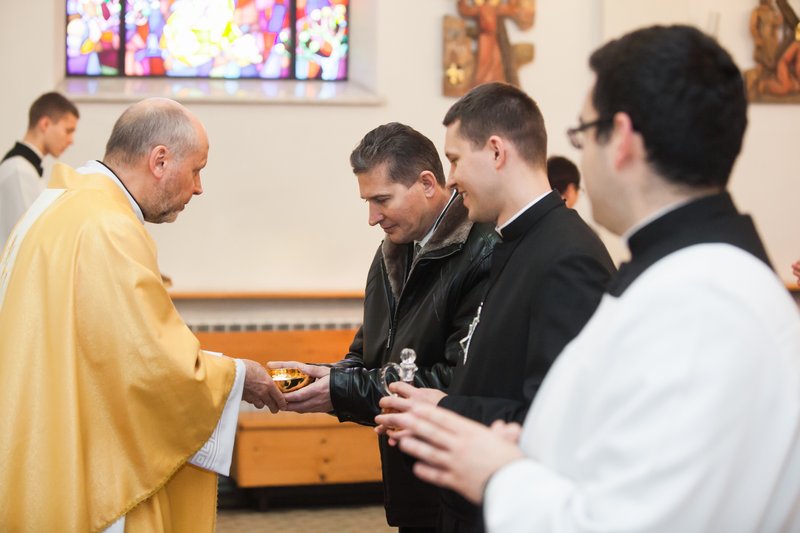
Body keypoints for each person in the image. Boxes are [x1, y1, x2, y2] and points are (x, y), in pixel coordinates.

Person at [377, 25, 800, 533]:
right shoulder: (687, 277)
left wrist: (498, 474)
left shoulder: (700, 304)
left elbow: (636, 521)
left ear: (620, 139)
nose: (579, 156)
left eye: (581, 133)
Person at [0, 97, 287, 532]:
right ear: (160, 161)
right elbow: (149, 365)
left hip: (38, 443)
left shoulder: (57, 206)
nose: (198, 188)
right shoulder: (108, 228)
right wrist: (238, 376)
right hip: (90, 466)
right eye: (197, 170)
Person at [380, 82, 615, 533]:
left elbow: (556, 422)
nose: (450, 179)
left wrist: (446, 410)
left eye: (454, 160)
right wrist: (436, 405)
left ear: (495, 151)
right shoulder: (514, 241)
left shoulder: (567, 258)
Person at [268, 122, 497, 531]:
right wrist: (327, 378)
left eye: (381, 200)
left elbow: (452, 381)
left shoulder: (482, 252)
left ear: (427, 183)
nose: (372, 218)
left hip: (456, 483)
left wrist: (341, 390)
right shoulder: (395, 249)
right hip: (411, 476)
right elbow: (370, 351)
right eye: (367, 202)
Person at [0, 91, 79, 246]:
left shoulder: (25, 168)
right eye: (68, 130)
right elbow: (28, 239)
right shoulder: (19, 170)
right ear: (45, 124)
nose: (71, 140)